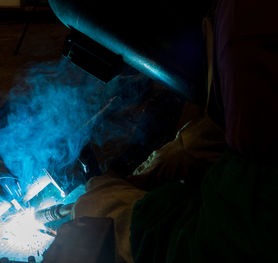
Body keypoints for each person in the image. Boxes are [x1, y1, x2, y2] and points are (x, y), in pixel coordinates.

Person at [71, 0, 278, 262]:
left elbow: (224, 246)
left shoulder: (248, 34)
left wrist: (114, 215)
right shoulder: (243, 24)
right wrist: (196, 146)